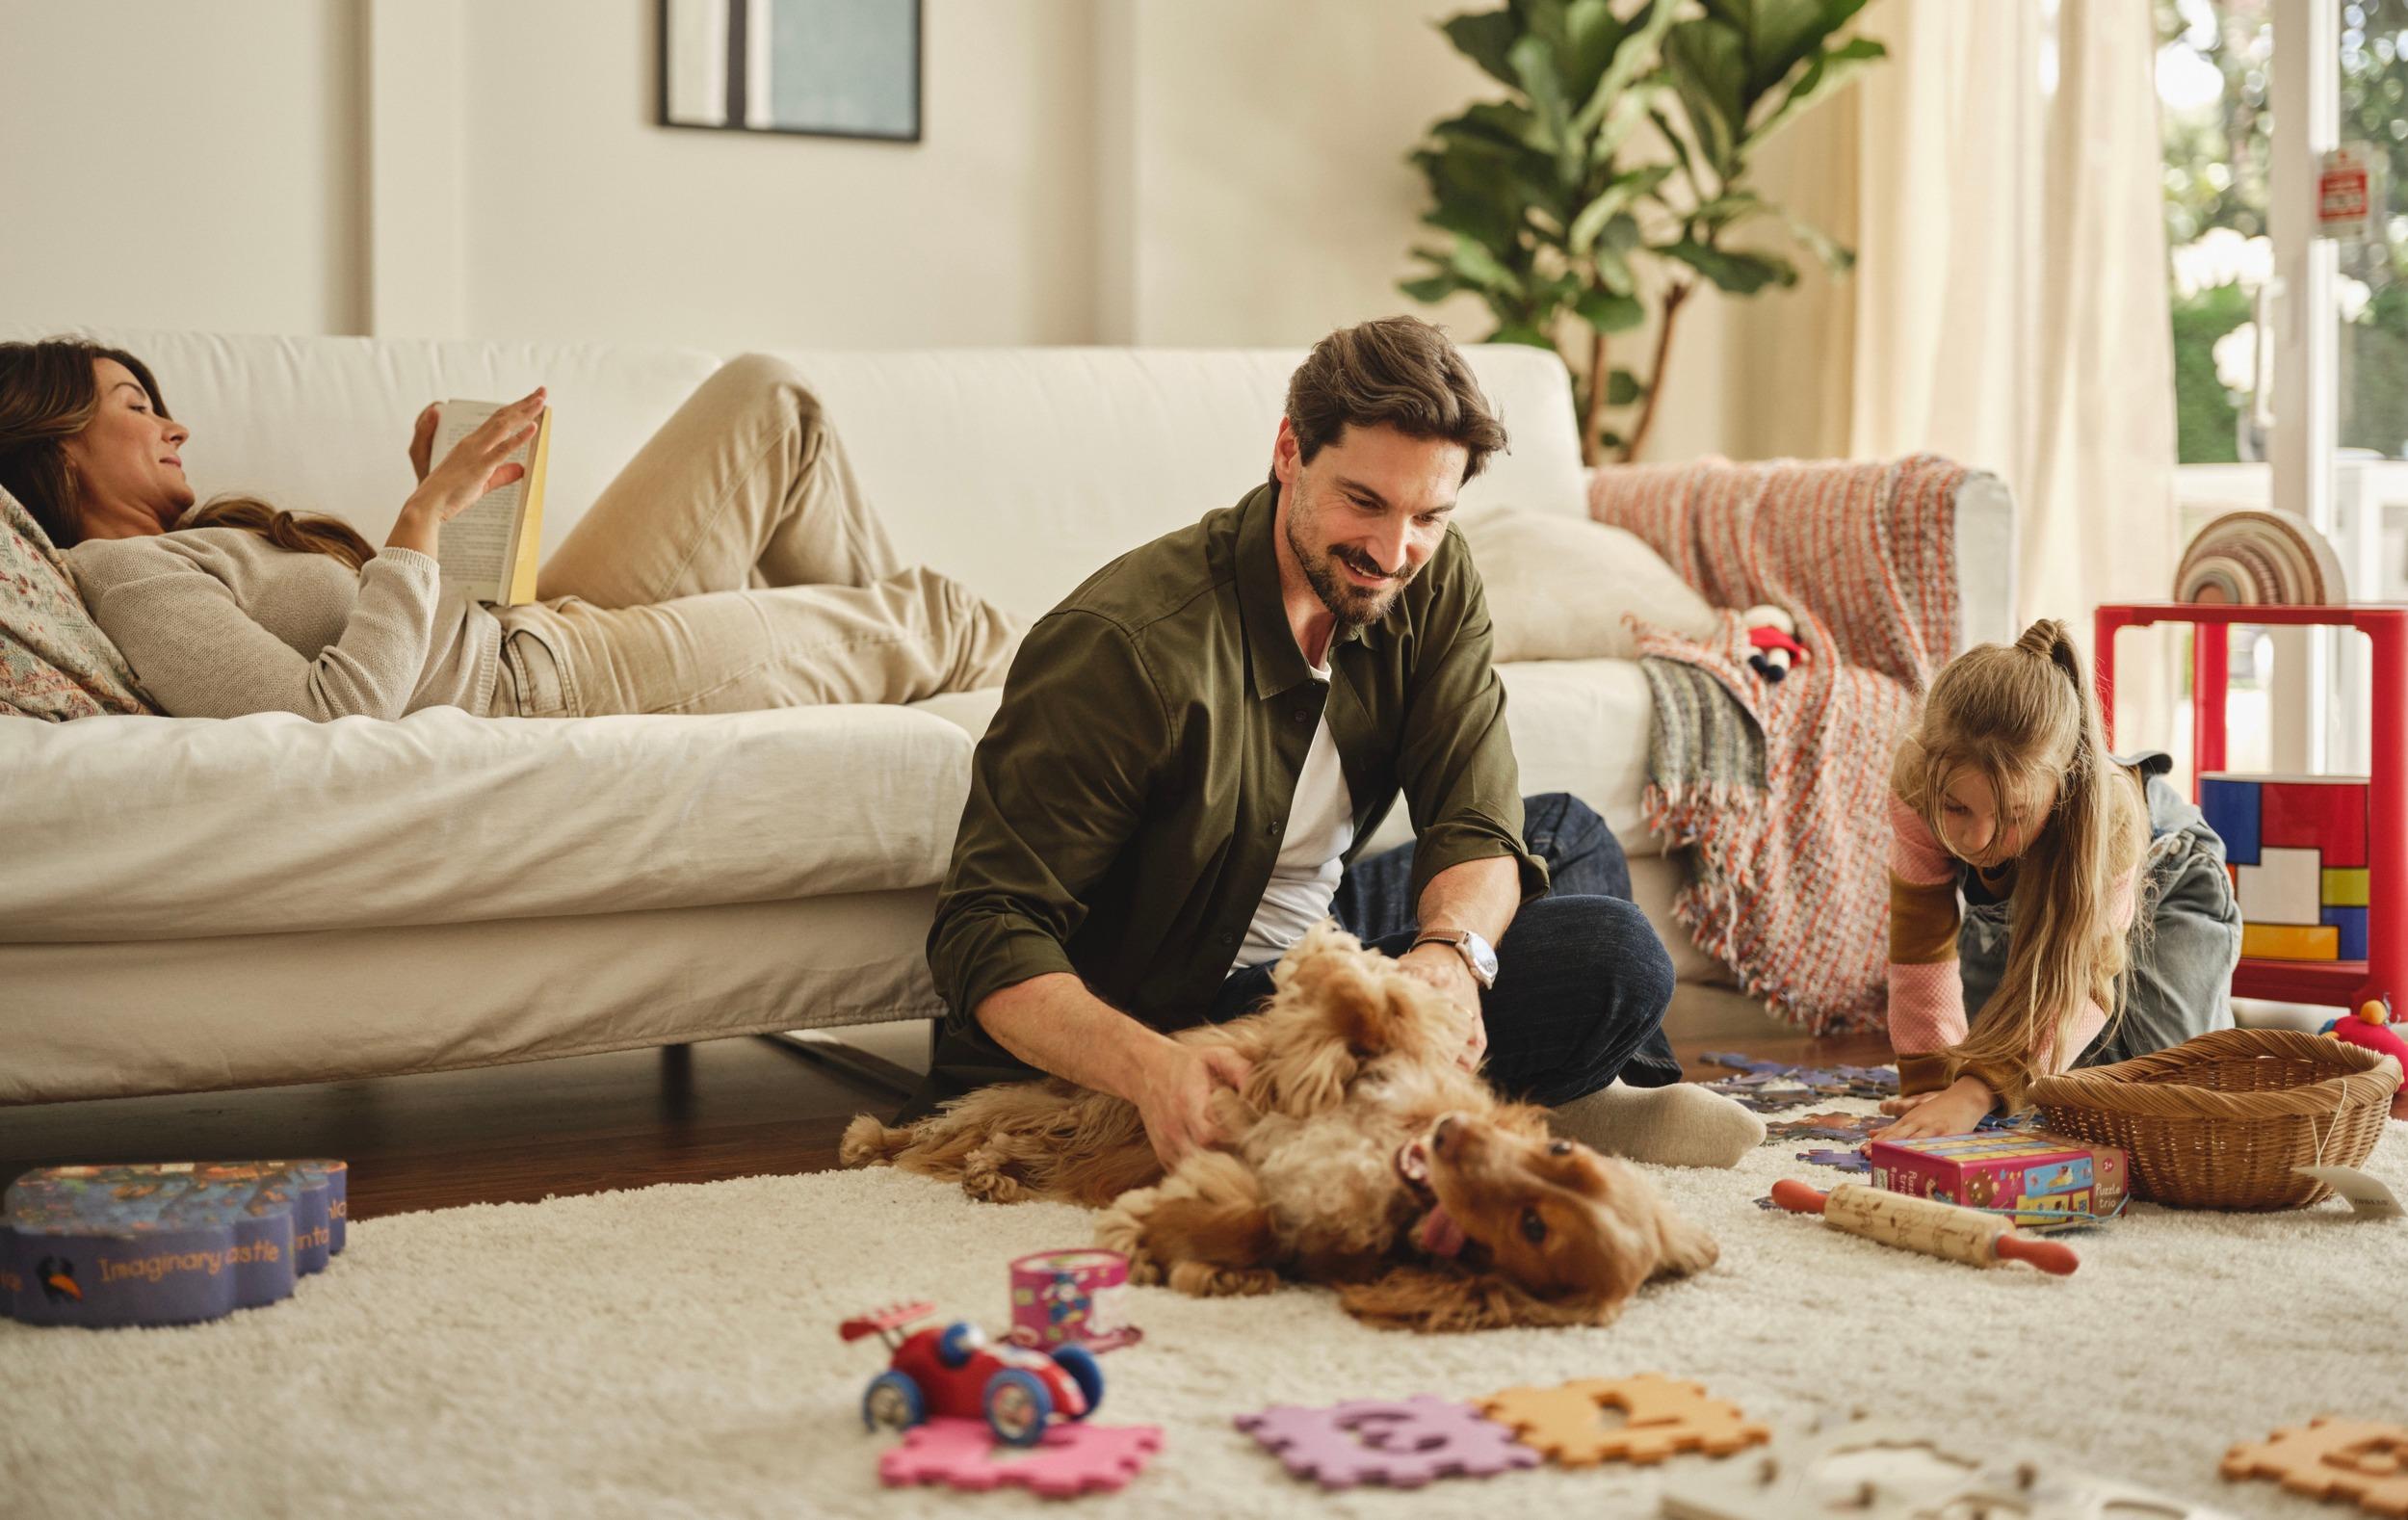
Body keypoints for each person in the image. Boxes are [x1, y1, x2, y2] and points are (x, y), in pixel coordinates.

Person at [914, 316, 1764, 1170]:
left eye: (1428, 515)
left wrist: (1448, 959)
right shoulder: (1126, 645)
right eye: (1365, 502)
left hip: (1321, 936)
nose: (1393, 553)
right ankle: (1557, 1097)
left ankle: (1590, 1095)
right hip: (1195, 999)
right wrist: (1151, 1067)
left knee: (1564, 835)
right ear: (1290, 452)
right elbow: (988, 926)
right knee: (1612, 957)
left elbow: (1475, 815)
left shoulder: (1428, 577)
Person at [0, 339, 1018, 721]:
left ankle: (916, 724)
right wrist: (421, 515)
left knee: (770, 401)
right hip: (546, 681)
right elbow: (328, 723)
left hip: (525, 625)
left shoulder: (185, 546)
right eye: (135, 404)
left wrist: (453, 518)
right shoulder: (127, 579)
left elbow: (411, 632)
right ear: (56, 444)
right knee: (942, 618)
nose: (174, 424)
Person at [1878, 617, 2243, 1140]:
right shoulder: (1916, 781)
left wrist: (1979, 1089)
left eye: (2012, 815)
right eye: (1956, 807)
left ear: (2063, 780)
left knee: (2160, 1090)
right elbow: (1920, 943)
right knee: (1993, 1062)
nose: (1977, 840)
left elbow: (2086, 973)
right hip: (2025, 907)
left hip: (2167, 878)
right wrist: (1934, 1083)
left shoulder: (2107, 813)